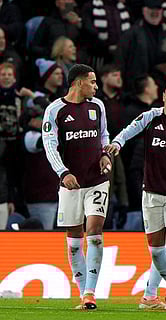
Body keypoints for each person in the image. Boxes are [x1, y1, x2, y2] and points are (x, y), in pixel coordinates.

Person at [105, 82, 166, 310]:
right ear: (163, 97)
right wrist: (117, 142)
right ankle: (150, 296)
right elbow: (128, 131)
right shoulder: (151, 117)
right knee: (157, 251)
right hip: (152, 193)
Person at [42, 64, 112, 310]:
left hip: (97, 181)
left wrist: (106, 155)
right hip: (71, 183)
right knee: (74, 239)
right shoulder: (55, 110)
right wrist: (63, 173)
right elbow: (50, 145)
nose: (96, 86)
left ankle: (91, 292)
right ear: (79, 82)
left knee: (94, 231)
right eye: (92, 82)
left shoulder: (97, 106)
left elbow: (104, 136)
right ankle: (83, 294)